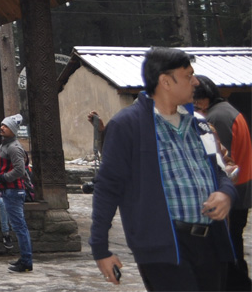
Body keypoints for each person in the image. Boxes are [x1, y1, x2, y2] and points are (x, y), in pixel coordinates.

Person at [90, 47, 237, 290]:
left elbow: (222, 173)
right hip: (163, 247)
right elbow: (107, 189)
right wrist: (100, 249)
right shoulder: (128, 125)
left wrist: (225, 193)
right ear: (166, 82)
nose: (196, 82)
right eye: (188, 75)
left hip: (212, 243)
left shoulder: (199, 124)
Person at [194, 74, 251, 291]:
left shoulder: (216, 118)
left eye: (196, 100)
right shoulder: (227, 110)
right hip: (242, 187)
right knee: (234, 245)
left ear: (204, 99)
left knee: (230, 249)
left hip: (233, 192)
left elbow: (220, 162)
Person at [0, 113, 33, 273]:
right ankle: (24, 258)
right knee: (18, 226)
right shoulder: (5, 145)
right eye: (2, 124)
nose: (2, 127)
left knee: (19, 226)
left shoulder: (14, 147)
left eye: (6, 126)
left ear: (13, 130)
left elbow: (20, 170)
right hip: (8, 190)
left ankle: (26, 261)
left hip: (14, 191)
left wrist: (1, 178)